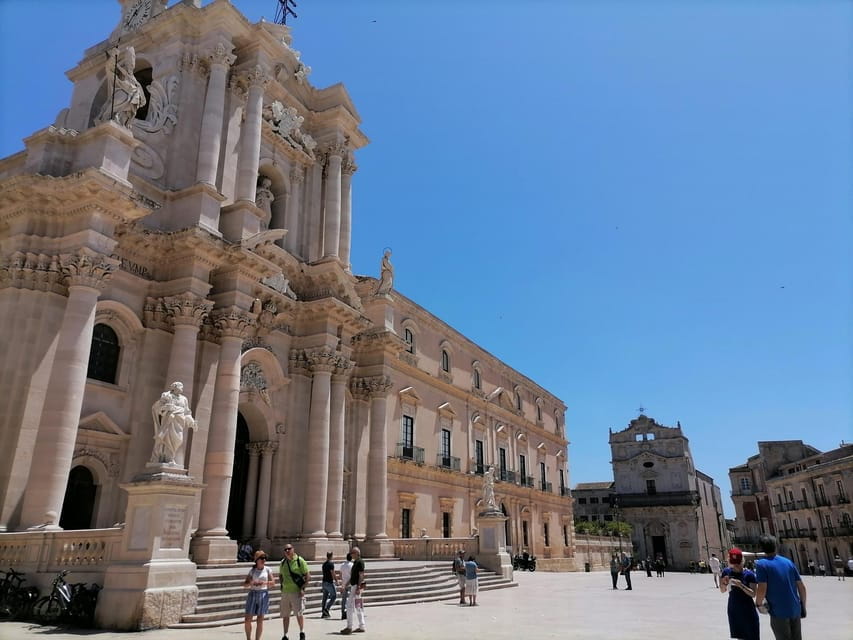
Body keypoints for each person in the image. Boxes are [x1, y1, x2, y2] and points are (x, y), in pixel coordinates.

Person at [754, 534, 807, 640]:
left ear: (762, 548)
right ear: (776, 546)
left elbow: (762, 588)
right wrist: (803, 606)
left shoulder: (762, 564)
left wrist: (758, 604)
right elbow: (802, 587)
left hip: (778, 611)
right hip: (795, 608)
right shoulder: (788, 562)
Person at [97, 46, 146, 127]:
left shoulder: (134, 79)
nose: (131, 61)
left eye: (133, 58)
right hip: (121, 98)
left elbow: (143, 101)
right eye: (129, 58)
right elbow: (110, 69)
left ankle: (121, 121)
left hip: (129, 106)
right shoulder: (120, 72)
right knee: (123, 95)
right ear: (126, 61)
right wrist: (113, 56)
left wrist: (137, 91)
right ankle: (111, 117)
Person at [150, 381, 196, 465]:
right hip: (169, 421)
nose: (182, 388)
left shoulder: (184, 399)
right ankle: (167, 458)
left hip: (179, 422)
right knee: (166, 439)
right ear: (175, 387)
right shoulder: (167, 395)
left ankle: (169, 457)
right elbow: (157, 407)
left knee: (178, 440)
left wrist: (192, 422)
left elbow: (187, 412)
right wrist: (166, 407)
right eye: (180, 386)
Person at [719, 547, 759, 640]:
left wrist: (740, 585)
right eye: (733, 563)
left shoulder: (749, 574)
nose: (735, 566)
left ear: (742, 561)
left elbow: (753, 594)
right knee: (740, 637)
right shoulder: (726, 572)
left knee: (752, 636)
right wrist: (724, 583)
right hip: (734, 609)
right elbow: (722, 590)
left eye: (737, 563)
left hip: (748, 610)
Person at [279, 544, 310, 640]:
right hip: (285, 592)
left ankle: (302, 631)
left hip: (296, 592)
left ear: (293, 549)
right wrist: (282, 585)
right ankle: (285, 634)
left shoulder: (300, 561)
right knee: (285, 615)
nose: (287, 550)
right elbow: (280, 575)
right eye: (285, 549)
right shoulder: (283, 562)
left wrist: (302, 589)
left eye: (289, 549)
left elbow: (308, 576)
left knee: (299, 614)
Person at [243, 550, 274, 640]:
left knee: (260, 619)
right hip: (253, 593)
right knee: (248, 619)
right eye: (261, 558)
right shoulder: (252, 570)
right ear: (256, 560)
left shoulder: (267, 569)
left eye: (265, 558)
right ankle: (248, 638)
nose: (264, 560)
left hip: (263, 594)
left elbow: (273, 583)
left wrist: (263, 583)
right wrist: (252, 582)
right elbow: (245, 584)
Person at [340, 546, 366, 635]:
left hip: (356, 587)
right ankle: (362, 626)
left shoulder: (360, 562)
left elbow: (361, 575)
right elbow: (352, 577)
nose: (351, 555)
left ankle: (349, 627)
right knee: (358, 606)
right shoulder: (355, 562)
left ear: (356, 553)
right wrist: (345, 585)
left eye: (352, 553)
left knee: (349, 606)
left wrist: (358, 587)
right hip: (355, 586)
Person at [336, 552, 353, 620]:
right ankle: (348, 612)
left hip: (344, 584)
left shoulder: (342, 565)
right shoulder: (352, 565)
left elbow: (340, 575)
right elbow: (352, 575)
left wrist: (342, 582)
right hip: (350, 584)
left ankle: (343, 612)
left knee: (344, 599)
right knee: (350, 599)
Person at [320, 551, 336, 618]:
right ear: (331, 556)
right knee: (334, 596)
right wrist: (336, 580)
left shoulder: (324, 564)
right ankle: (326, 609)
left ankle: (323, 612)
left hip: (324, 582)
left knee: (325, 597)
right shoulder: (331, 564)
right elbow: (332, 573)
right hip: (329, 582)